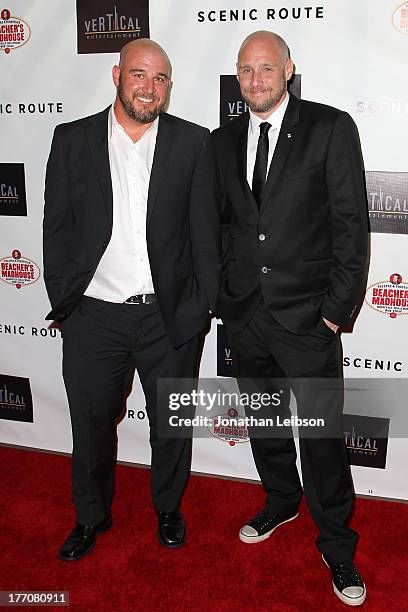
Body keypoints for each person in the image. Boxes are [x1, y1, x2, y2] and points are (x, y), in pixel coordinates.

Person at [43, 38, 220, 560]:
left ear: (169, 87)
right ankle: (91, 517)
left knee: (171, 425)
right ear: (117, 74)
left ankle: (168, 507)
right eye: (140, 75)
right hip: (93, 317)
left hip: (168, 318)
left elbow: (207, 233)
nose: (149, 87)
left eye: (160, 78)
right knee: (92, 427)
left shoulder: (194, 142)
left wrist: (202, 304)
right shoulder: (72, 139)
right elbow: (57, 227)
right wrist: (65, 299)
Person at [212, 31, 368, 606]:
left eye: (267, 68)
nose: (256, 79)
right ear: (238, 74)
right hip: (246, 316)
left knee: (323, 439)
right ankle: (280, 500)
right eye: (246, 70)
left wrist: (334, 313)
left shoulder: (330, 128)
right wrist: (221, 300)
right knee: (266, 425)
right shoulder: (222, 140)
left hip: (308, 319)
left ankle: (338, 544)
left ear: (288, 69)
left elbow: (353, 226)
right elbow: (221, 227)